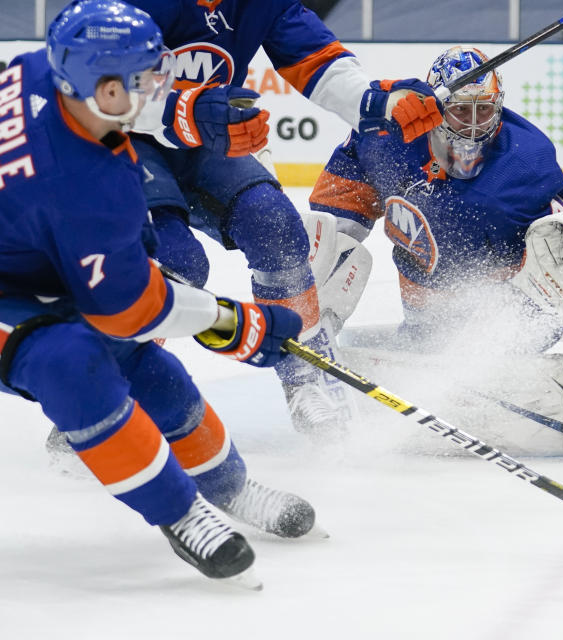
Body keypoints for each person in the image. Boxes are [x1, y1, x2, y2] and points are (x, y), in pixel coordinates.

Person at [0, 0, 319, 588]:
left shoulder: (38, 71)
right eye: (133, 84)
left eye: (152, 75)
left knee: (143, 364)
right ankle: (181, 511)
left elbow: (135, 117)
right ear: (91, 84)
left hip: (28, 259)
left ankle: (231, 487)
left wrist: (188, 110)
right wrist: (239, 324)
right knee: (72, 360)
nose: (148, 92)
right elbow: (130, 307)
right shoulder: (79, 180)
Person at [307, 46, 563, 462]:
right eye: (459, 112)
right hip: (422, 314)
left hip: (504, 315)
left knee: (480, 374)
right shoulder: (384, 137)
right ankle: (310, 374)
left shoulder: (527, 164)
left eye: (483, 112)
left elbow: (559, 262)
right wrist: (308, 290)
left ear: (499, 108)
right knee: (322, 247)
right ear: (433, 108)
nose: (471, 127)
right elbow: (335, 216)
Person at [122, 0, 444, 438]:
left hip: (203, 141)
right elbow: (97, 92)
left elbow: (317, 59)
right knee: (175, 262)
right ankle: (110, 391)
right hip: (122, 145)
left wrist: (375, 102)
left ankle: (306, 379)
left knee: (276, 227)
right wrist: (191, 111)